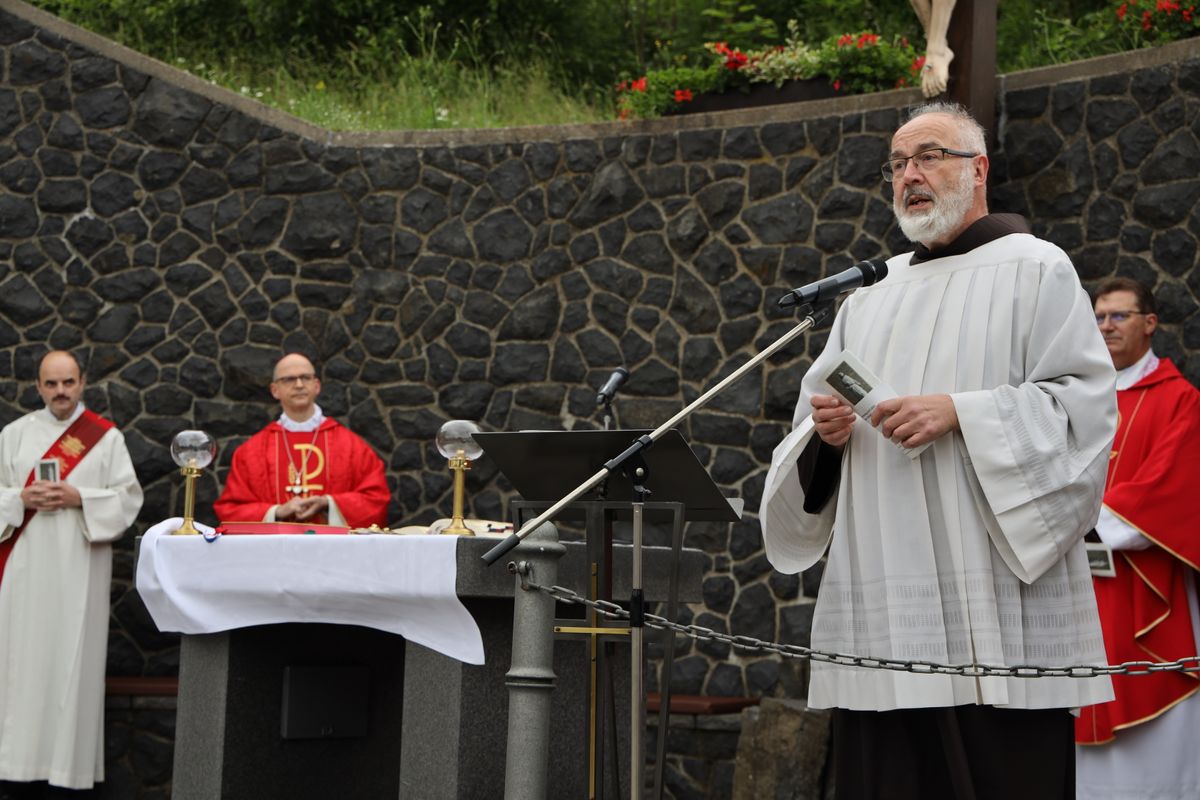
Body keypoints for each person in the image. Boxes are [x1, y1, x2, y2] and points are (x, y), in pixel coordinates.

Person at [759, 102, 1118, 799]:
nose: (909, 176)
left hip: (994, 598)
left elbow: (1082, 409)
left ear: (978, 169)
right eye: (897, 164)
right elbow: (814, 416)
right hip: (883, 601)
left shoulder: (1037, 268)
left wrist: (963, 412)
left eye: (928, 156)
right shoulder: (870, 296)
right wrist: (825, 438)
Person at [1074, 278, 1200, 800]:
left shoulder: (1181, 400)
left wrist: (1085, 523)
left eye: (1119, 317)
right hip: (1080, 580)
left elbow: (1173, 483)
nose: (1106, 328)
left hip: (1149, 578)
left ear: (1150, 324)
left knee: (1155, 709)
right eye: (1100, 318)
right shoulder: (1080, 399)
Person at [0, 351, 143, 793]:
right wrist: (20, 501)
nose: (60, 392)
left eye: (68, 382)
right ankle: (15, 769)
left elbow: (127, 500)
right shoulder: (14, 435)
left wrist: (78, 496)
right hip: (22, 573)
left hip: (80, 570)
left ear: (82, 382)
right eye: (51, 384)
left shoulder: (105, 439)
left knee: (72, 665)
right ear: (38, 387)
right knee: (19, 667)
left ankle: (68, 776)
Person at [213, 353, 390, 528]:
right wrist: (276, 512)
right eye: (289, 379)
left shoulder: (351, 446)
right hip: (274, 553)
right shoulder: (252, 452)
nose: (299, 385)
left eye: (305, 377)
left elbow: (376, 500)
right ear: (275, 390)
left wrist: (328, 503)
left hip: (333, 552)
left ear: (317, 386)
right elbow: (230, 511)